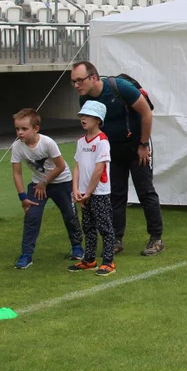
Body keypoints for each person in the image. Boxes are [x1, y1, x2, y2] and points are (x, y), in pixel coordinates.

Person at [70, 61, 165, 257]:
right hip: (113, 151)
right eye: (73, 82)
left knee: (145, 191)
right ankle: (116, 239)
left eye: (80, 80)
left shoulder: (120, 88)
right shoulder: (84, 100)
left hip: (137, 147)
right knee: (115, 194)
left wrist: (144, 145)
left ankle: (156, 238)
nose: (76, 85)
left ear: (94, 78)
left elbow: (146, 113)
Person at [10, 108, 84, 269]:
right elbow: (16, 173)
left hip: (61, 182)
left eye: (24, 129)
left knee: (70, 215)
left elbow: (60, 166)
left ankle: (77, 247)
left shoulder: (47, 143)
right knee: (32, 217)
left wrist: (45, 182)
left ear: (35, 128)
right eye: (17, 129)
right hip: (38, 186)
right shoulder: (17, 147)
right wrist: (23, 197)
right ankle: (26, 255)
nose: (20, 133)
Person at [70, 101, 117, 276]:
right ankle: (89, 259)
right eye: (82, 115)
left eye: (87, 115)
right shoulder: (81, 141)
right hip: (84, 193)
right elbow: (77, 165)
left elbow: (99, 169)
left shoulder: (102, 141)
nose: (83, 118)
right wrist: (76, 189)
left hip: (99, 192)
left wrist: (89, 192)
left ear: (98, 119)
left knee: (104, 226)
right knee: (88, 226)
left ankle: (108, 261)